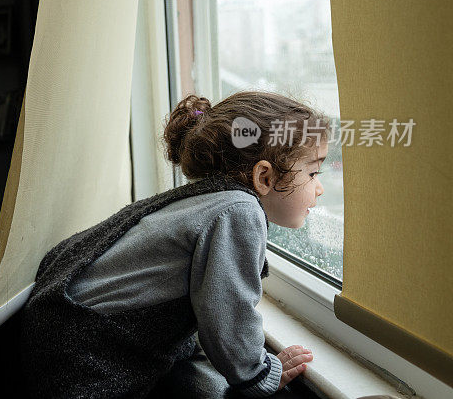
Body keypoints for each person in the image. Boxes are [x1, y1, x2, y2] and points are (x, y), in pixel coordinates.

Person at [20, 90, 327, 398]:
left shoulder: (201, 199)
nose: (320, 188)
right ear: (264, 176)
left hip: (57, 330)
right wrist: (259, 374)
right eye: (312, 172)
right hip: (86, 354)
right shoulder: (238, 211)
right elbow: (228, 314)